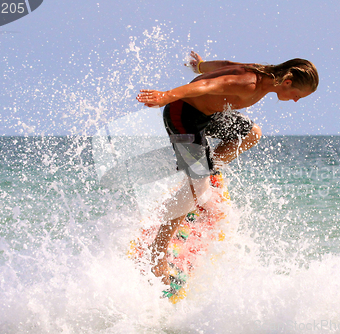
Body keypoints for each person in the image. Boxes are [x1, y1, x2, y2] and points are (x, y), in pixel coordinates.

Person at [136, 51, 319, 283]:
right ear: (288, 82)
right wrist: (166, 96)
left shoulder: (261, 73)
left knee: (252, 133)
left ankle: (203, 175)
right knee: (198, 191)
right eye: (297, 95)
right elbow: (206, 86)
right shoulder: (251, 84)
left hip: (209, 115)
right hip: (182, 115)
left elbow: (227, 65)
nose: (295, 100)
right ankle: (157, 255)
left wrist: (201, 65)